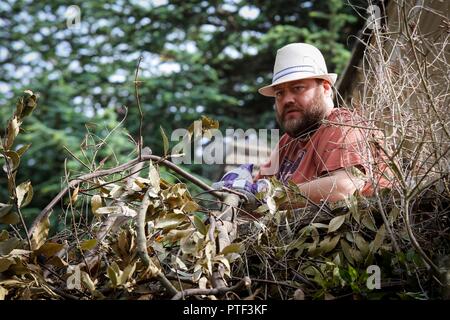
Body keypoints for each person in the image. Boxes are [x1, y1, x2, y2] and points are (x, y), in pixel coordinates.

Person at [215, 43, 391, 207]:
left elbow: (343, 188)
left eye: (298, 88)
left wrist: (267, 194)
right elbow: (254, 200)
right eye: (279, 93)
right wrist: (236, 193)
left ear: (326, 88)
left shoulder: (344, 126)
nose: (287, 100)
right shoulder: (286, 143)